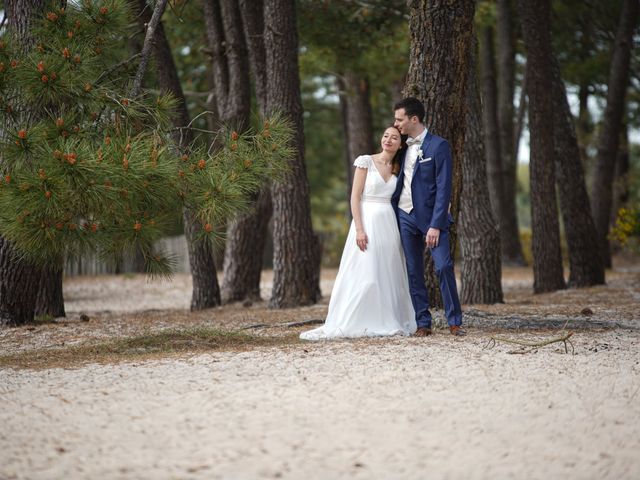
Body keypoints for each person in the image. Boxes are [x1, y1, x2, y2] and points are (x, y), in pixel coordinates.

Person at [300, 127, 416, 340]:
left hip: (388, 224)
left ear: (401, 144)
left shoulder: (399, 168)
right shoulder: (365, 162)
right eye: (385, 136)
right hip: (366, 220)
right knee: (365, 270)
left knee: (387, 271)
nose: (388, 140)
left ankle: (388, 317)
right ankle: (357, 319)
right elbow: (355, 197)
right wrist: (360, 229)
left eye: (394, 138)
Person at [391, 97, 465, 337]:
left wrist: (436, 224)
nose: (396, 124)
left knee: (443, 266)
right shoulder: (401, 146)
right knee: (414, 271)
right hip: (404, 215)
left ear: (414, 119)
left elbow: (444, 188)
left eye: (399, 119)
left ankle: (455, 321)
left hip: (432, 219)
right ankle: (423, 322)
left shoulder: (438, 146)